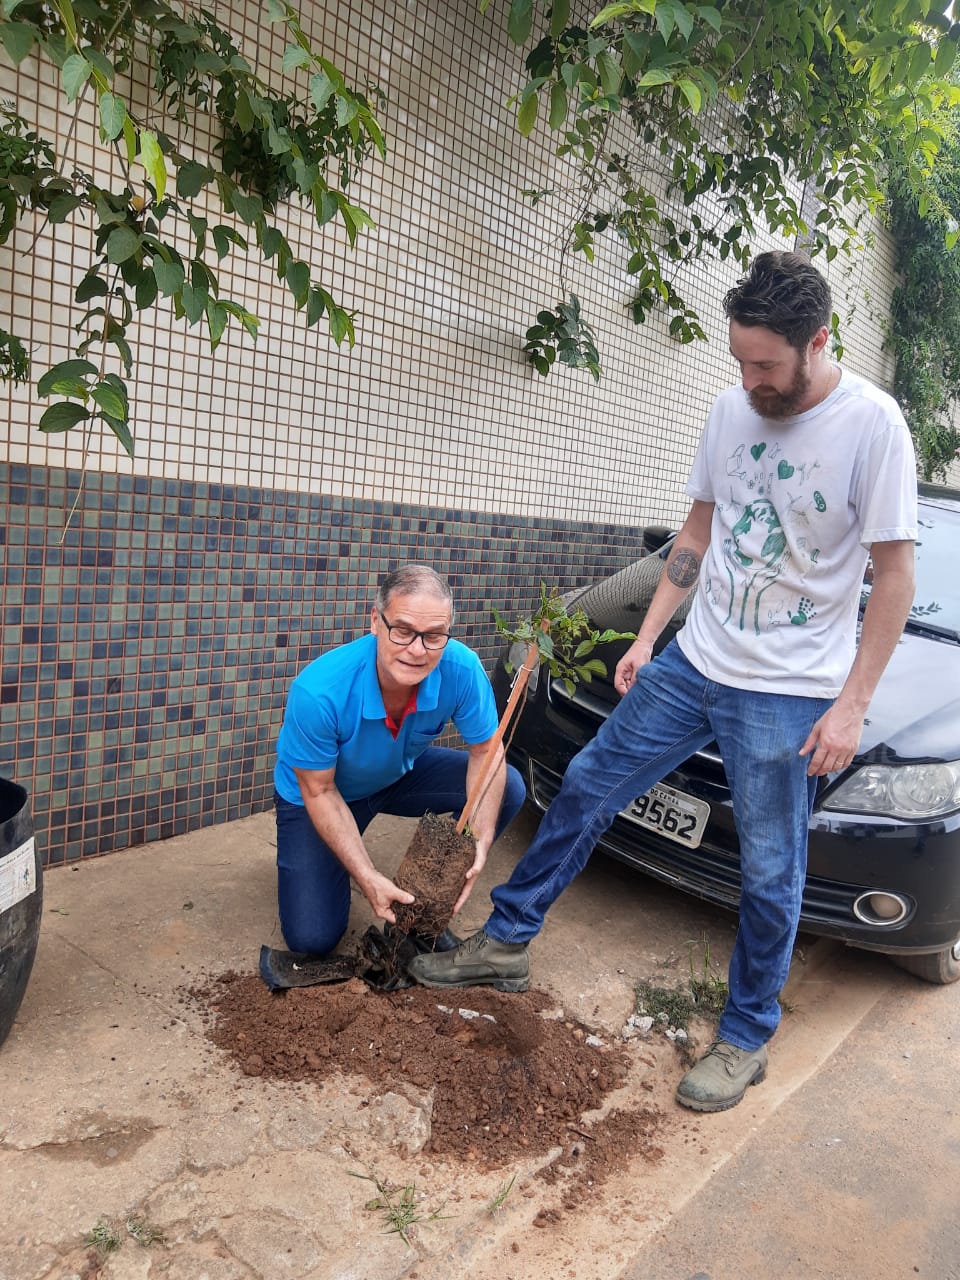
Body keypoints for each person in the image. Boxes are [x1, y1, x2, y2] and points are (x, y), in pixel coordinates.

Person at [408, 251, 918, 1113]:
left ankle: (748, 1033)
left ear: (817, 342)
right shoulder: (731, 410)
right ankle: (506, 939)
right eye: (739, 360)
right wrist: (649, 636)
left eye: (766, 364)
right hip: (695, 661)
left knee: (770, 873)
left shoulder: (875, 427)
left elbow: (894, 579)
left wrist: (853, 703)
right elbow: (697, 529)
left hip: (789, 690)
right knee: (585, 788)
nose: (750, 379)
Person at [273, 564, 526, 956]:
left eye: (434, 636)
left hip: (396, 776)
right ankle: (315, 857)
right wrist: (367, 876)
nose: (417, 650)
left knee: (506, 785)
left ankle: (424, 905)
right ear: (375, 620)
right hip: (323, 794)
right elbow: (319, 790)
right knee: (313, 938)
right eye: (403, 630)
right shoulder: (319, 691)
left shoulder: (461, 668)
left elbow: (486, 754)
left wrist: (480, 838)